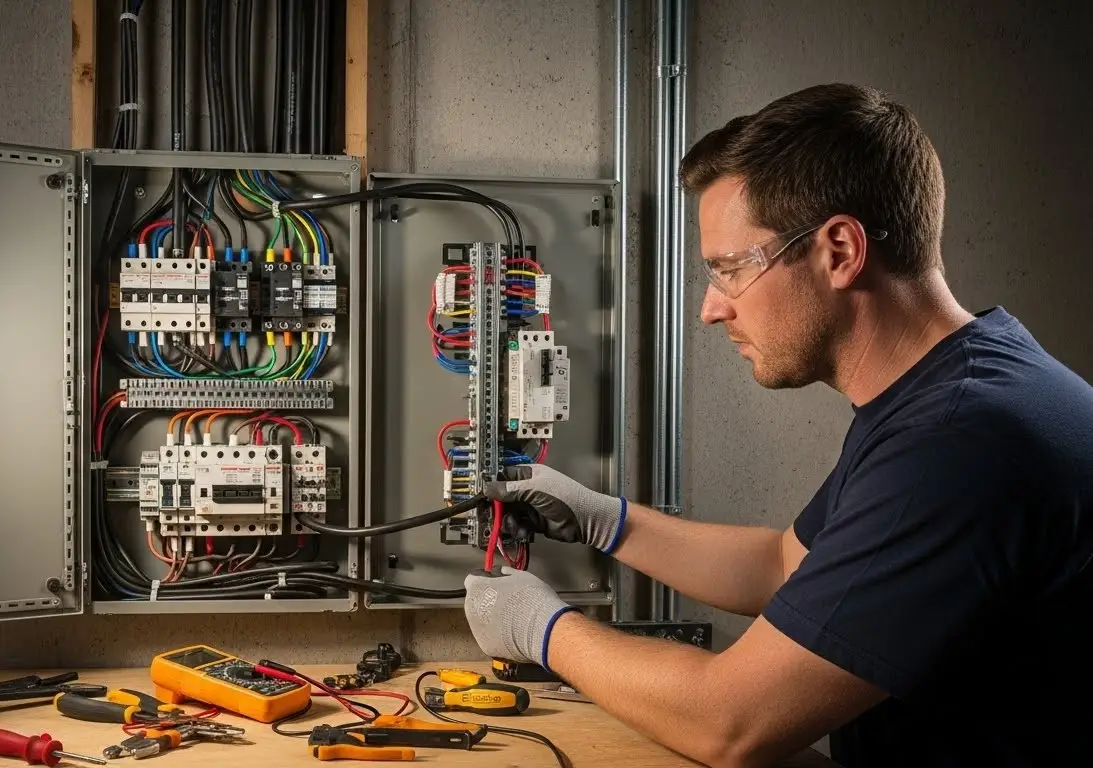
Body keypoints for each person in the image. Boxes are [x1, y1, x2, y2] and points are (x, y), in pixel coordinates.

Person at [461, 83, 1093, 768]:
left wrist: (540, 628)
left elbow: (730, 724)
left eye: (731, 268)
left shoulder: (958, 444)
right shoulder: (966, 384)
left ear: (839, 250)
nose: (710, 308)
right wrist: (604, 521)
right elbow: (785, 565)